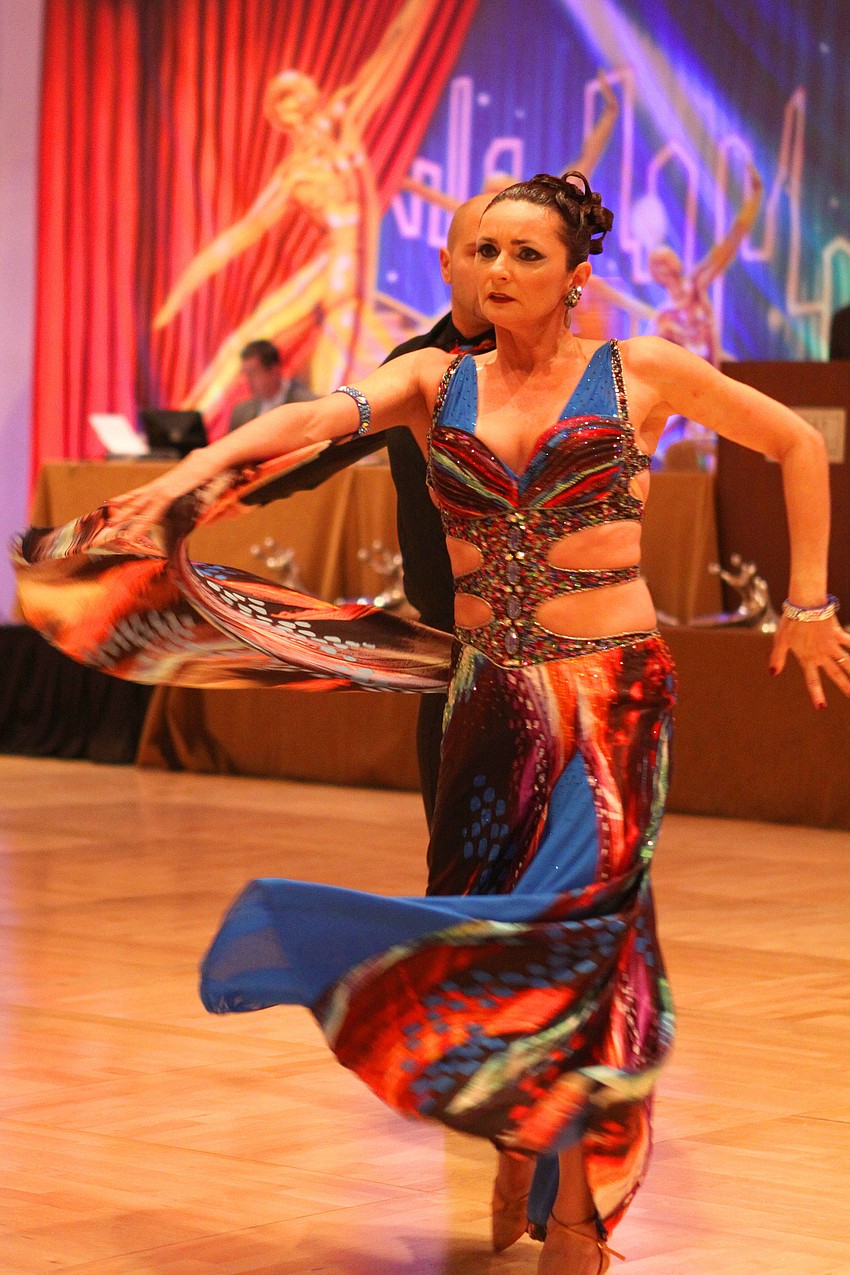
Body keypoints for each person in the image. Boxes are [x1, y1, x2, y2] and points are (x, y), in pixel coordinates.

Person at [20, 171, 848, 1275]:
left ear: (575, 277)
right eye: (481, 251)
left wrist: (806, 602)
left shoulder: (635, 370)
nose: (498, 271)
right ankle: (518, 1128)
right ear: (455, 266)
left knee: (583, 936)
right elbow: (309, 421)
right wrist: (194, 476)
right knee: (483, 927)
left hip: (612, 699)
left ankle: (578, 1219)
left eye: (525, 255)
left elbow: (793, 440)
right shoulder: (429, 380)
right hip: (485, 700)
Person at [227, 339, 315, 432]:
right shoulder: (240, 413)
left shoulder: (308, 404)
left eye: (254, 373)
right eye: (246, 374)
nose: (249, 381)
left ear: (274, 371)